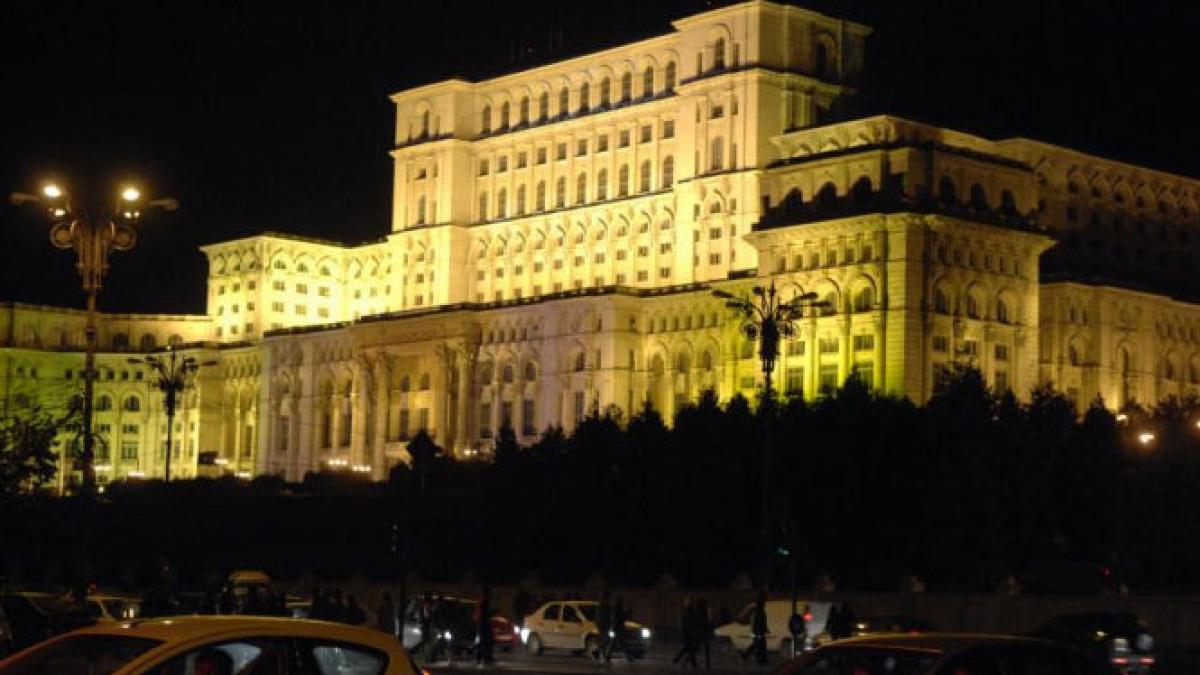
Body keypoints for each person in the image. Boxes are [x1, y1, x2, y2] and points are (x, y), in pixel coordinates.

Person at [671, 596, 699, 669]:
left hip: (687, 633)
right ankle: (693, 664)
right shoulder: (688, 613)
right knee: (690, 649)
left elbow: (686, 623)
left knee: (687, 648)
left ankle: (676, 660)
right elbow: (687, 623)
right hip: (688, 633)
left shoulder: (688, 612)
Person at [742, 591, 768, 665]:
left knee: (759, 644)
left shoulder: (758, 609)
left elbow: (760, 620)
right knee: (759, 644)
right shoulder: (758, 609)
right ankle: (760, 660)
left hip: (758, 630)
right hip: (758, 630)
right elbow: (758, 620)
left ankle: (760, 659)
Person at [603, 596, 627, 663]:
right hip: (617, 629)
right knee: (614, 643)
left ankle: (607, 656)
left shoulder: (618, 609)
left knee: (618, 643)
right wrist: (613, 628)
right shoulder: (617, 610)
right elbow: (615, 619)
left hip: (618, 628)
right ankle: (607, 657)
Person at [475, 587, 495, 665]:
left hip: (481, 623)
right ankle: (486, 658)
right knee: (487, 641)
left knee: (483, 641)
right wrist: (492, 613)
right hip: (484, 623)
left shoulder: (481, 599)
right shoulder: (484, 600)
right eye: (490, 593)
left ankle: (481, 658)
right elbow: (484, 612)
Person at [696, 597, 714, 670]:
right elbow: (705, 621)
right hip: (701, 631)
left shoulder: (704, 611)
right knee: (697, 648)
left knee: (705, 648)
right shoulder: (701, 611)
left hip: (703, 631)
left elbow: (708, 621)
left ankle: (707, 664)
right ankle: (689, 660)